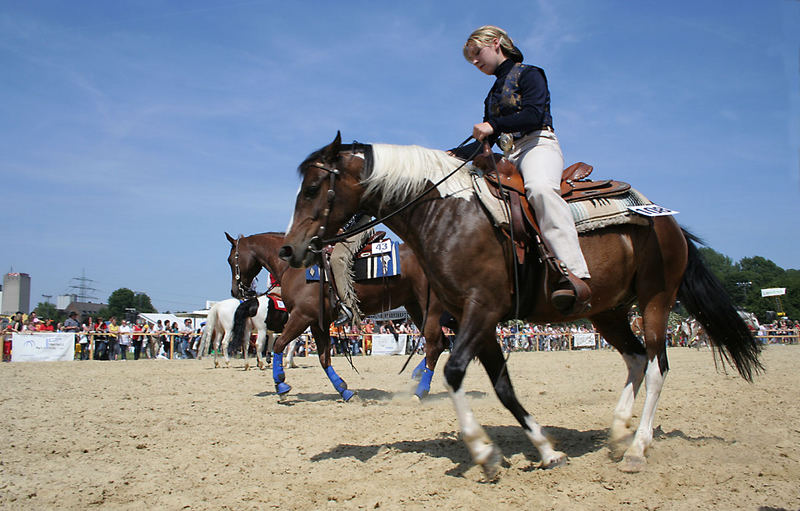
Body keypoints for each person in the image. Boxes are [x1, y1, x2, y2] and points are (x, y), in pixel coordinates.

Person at [453, 25, 591, 315]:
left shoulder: (530, 73)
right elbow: (487, 139)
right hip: (508, 153)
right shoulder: (491, 93)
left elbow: (533, 114)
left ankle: (573, 271)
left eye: (477, 54)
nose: (476, 62)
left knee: (540, 189)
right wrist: (454, 155)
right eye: (471, 60)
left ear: (495, 43)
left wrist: (494, 125)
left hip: (537, 145)